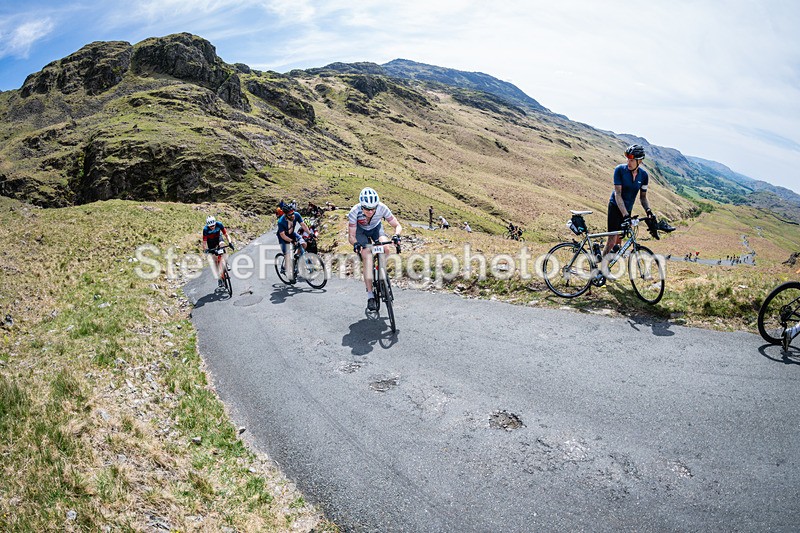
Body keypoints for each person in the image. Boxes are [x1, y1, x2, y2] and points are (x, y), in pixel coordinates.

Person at [348, 187, 402, 311]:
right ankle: (370, 295)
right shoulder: (354, 212)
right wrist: (356, 244)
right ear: (362, 206)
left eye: (373, 208)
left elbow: (397, 225)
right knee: (367, 256)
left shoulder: (382, 207)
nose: (371, 212)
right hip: (360, 232)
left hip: (376, 228)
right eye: (367, 209)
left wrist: (396, 235)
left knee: (386, 248)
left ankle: (380, 269)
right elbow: (351, 236)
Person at [603, 144, 658, 256]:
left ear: (640, 161)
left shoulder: (644, 176)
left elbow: (643, 197)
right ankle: (601, 268)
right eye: (628, 159)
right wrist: (625, 215)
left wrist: (648, 211)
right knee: (612, 239)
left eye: (632, 160)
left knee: (619, 241)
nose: (629, 162)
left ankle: (608, 265)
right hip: (615, 207)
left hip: (627, 209)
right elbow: (618, 195)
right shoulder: (620, 170)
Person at [276, 203, 313, 274]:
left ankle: (296, 260)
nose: (292, 215)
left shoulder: (296, 215)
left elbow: (303, 225)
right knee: (287, 256)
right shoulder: (281, 222)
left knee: (304, 244)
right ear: (286, 215)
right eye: (290, 214)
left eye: (292, 213)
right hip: (283, 238)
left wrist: (310, 233)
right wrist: (292, 241)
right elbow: (282, 235)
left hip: (292, 234)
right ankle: (284, 268)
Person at [202, 215, 235, 287]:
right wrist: (205, 249)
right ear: (208, 225)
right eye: (210, 226)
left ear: (215, 223)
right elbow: (204, 242)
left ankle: (226, 262)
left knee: (223, 245)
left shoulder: (219, 224)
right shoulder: (205, 229)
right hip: (210, 242)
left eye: (213, 225)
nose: (212, 227)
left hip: (218, 238)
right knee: (215, 260)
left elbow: (226, 235)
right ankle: (220, 278)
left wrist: (230, 243)